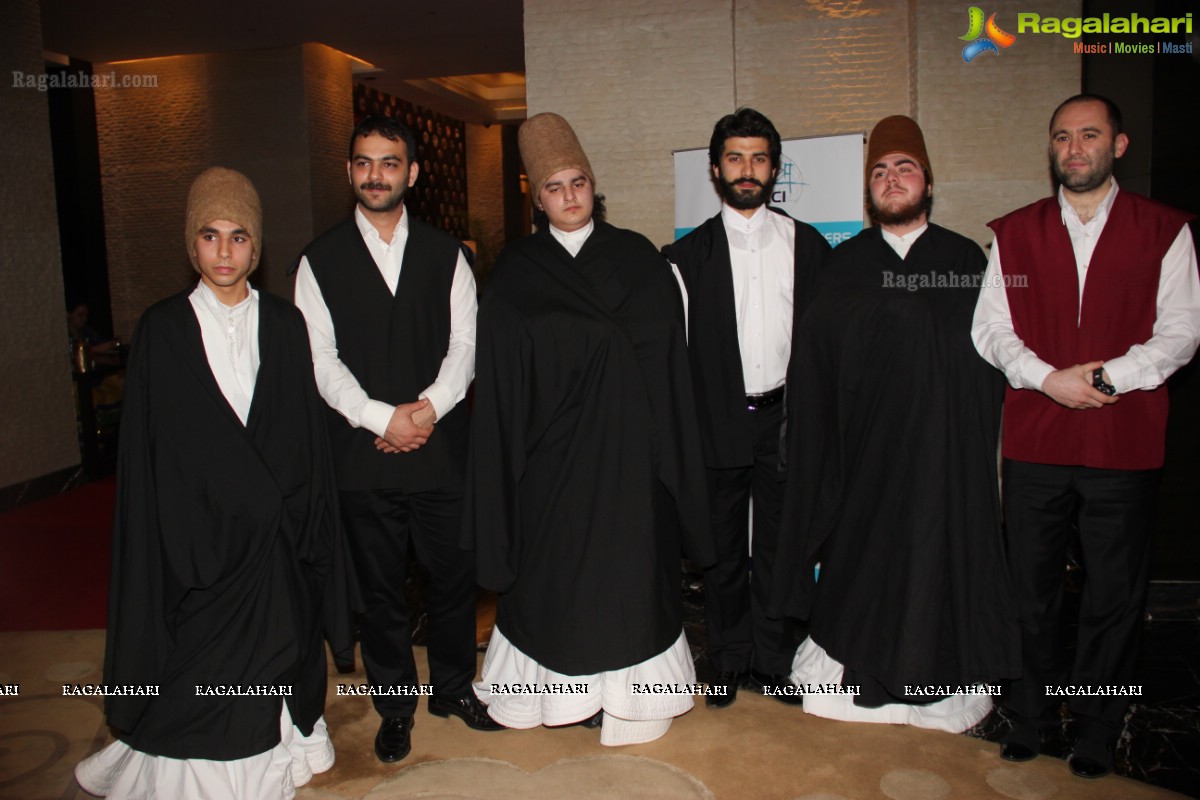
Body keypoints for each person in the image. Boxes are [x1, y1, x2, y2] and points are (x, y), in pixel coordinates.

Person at [75, 167, 352, 798]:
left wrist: (303, 529)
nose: (224, 252)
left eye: (238, 237)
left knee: (277, 655)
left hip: (274, 539)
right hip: (197, 543)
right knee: (197, 675)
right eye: (210, 236)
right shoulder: (162, 329)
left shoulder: (285, 325)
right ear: (191, 244)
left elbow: (303, 438)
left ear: (256, 247)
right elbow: (152, 455)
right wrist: (187, 534)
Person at [466, 112, 714, 745]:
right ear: (536, 195)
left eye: (578, 182)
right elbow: (497, 379)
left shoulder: (637, 257)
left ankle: (630, 703)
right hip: (551, 466)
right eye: (554, 187)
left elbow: (669, 362)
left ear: (592, 185)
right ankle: (557, 698)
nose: (569, 196)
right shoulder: (518, 271)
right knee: (560, 590)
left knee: (628, 586)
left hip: (632, 464)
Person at [972, 94, 1200, 778]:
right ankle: (1032, 714)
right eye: (1063, 137)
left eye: (1090, 135)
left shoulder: (1165, 230)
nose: (1075, 148)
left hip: (1122, 440)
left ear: (1118, 146)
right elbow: (992, 329)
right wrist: (1047, 379)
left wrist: (1105, 378)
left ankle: (1100, 723)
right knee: (1029, 590)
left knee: (1114, 593)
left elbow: (1182, 330)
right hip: (1038, 438)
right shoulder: (1013, 234)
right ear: (1051, 149)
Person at [770, 115, 1019, 732]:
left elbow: (992, 359)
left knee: (939, 565)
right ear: (868, 190)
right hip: (866, 463)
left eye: (904, 167)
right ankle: (869, 670)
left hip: (944, 461)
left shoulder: (963, 260)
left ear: (927, 181)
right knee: (866, 568)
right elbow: (815, 368)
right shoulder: (842, 266)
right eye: (879, 172)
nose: (891, 179)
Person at [295, 117, 499, 764]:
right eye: (363, 162)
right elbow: (318, 359)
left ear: (412, 173)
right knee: (380, 591)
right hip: (362, 456)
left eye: (388, 163)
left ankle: (452, 689)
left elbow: (467, 344)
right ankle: (394, 707)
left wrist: (428, 410)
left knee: (452, 580)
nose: (375, 174)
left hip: (441, 450)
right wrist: (383, 419)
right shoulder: (317, 260)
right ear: (350, 170)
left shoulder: (450, 255)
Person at [661, 108, 830, 707]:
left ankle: (774, 659)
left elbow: (825, 344)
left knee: (782, 550)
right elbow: (672, 357)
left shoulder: (808, 245)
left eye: (759, 158)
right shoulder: (683, 259)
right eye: (735, 158)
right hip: (717, 420)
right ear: (715, 169)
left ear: (775, 169)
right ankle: (728, 658)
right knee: (722, 549)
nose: (747, 169)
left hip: (787, 419)